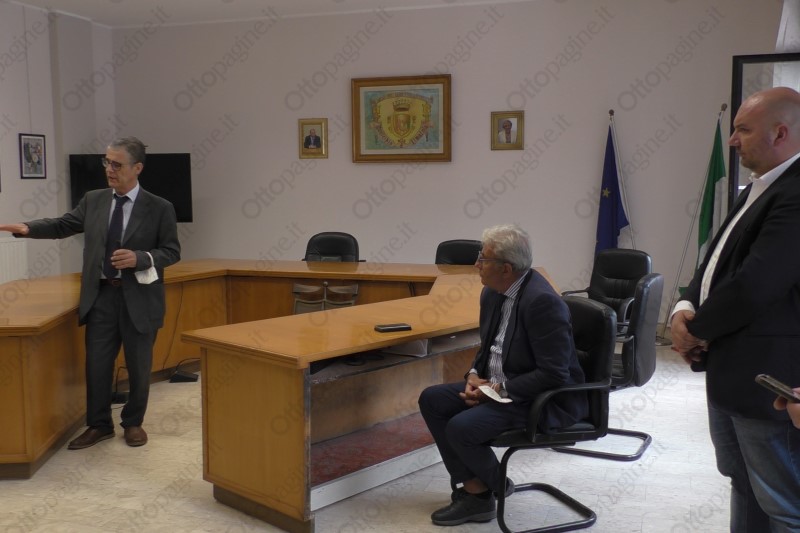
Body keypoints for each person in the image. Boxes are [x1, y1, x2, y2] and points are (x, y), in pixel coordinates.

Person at [670, 87, 800, 531]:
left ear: (779, 133)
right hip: (731, 374)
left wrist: (696, 330)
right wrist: (684, 307)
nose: (732, 139)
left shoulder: (795, 192)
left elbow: (756, 284)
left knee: (783, 503)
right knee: (743, 483)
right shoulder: (758, 188)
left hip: (771, 381)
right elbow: (715, 262)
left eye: (743, 129)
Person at [0, 137, 181, 450]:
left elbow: (172, 251)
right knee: (97, 365)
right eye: (106, 162)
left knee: (139, 366)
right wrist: (28, 228)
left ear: (137, 168)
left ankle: (133, 422)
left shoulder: (160, 207)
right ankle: (99, 425)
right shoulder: (94, 200)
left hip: (140, 298)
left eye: (117, 164)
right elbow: (63, 225)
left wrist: (140, 258)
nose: (109, 169)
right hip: (101, 297)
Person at [418, 224, 587, 527]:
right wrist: (473, 376)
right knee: (432, 400)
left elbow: (554, 374)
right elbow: (489, 348)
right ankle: (479, 489)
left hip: (539, 398)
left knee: (461, 428)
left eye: (482, 259)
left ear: (506, 268)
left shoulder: (542, 303)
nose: (476, 265)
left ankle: (488, 490)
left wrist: (498, 390)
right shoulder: (493, 292)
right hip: (498, 387)